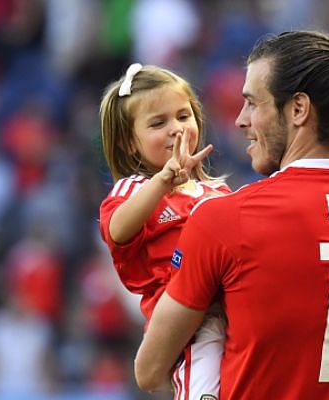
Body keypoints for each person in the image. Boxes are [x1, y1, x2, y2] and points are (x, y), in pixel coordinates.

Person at [135, 16, 329, 400]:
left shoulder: (226, 220)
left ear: (298, 109)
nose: (240, 120)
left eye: (253, 103)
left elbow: (150, 370)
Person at [98, 63, 231, 399]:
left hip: (236, 313)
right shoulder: (135, 189)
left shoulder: (217, 193)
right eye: (158, 123)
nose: (176, 129)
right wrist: (162, 182)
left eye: (183, 116)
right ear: (130, 143)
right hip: (190, 324)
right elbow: (117, 229)